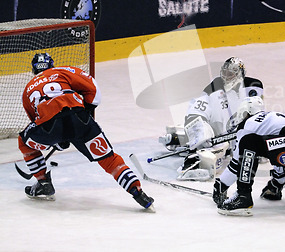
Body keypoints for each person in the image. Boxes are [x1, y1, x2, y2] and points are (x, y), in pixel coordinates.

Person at [18, 53, 154, 211]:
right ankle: (138, 193)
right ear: (52, 64)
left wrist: (57, 140)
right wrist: (85, 112)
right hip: (80, 119)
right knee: (109, 160)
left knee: (24, 142)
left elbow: (37, 121)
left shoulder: (28, 88)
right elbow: (93, 91)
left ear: (33, 70)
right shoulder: (63, 71)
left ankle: (43, 182)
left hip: (50, 126)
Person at [159, 57, 264, 181]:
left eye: (230, 74)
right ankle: (193, 154)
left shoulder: (253, 86)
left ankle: (180, 139)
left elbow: (257, 111)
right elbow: (199, 109)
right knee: (209, 142)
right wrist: (202, 132)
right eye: (224, 73)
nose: (226, 77)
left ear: (240, 74)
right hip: (219, 135)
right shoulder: (214, 87)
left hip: (237, 132)